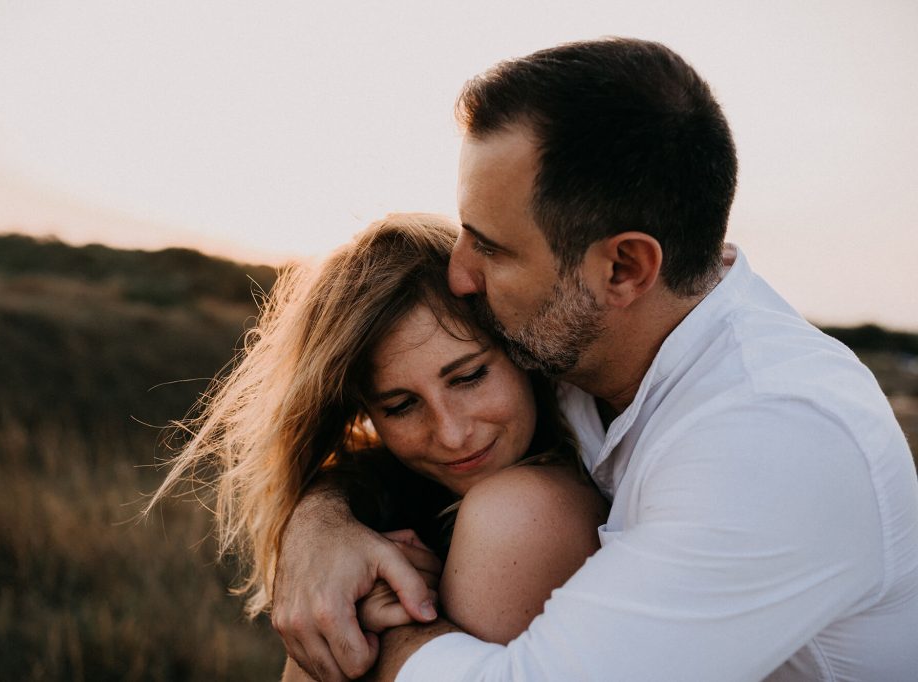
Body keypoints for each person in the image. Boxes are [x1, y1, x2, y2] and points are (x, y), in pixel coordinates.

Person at [272, 38, 918, 681]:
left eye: (493, 249)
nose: (461, 275)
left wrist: (375, 622)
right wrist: (322, 526)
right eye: (466, 233)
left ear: (624, 267)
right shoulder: (572, 350)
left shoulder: (779, 435)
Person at [148, 213, 608, 679]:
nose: (450, 433)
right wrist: (322, 516)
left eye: (469, 377)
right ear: (366, 413)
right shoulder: (398, 502)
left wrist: (375, 632)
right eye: (402, 405)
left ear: (519, 349)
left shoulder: (519, 511)